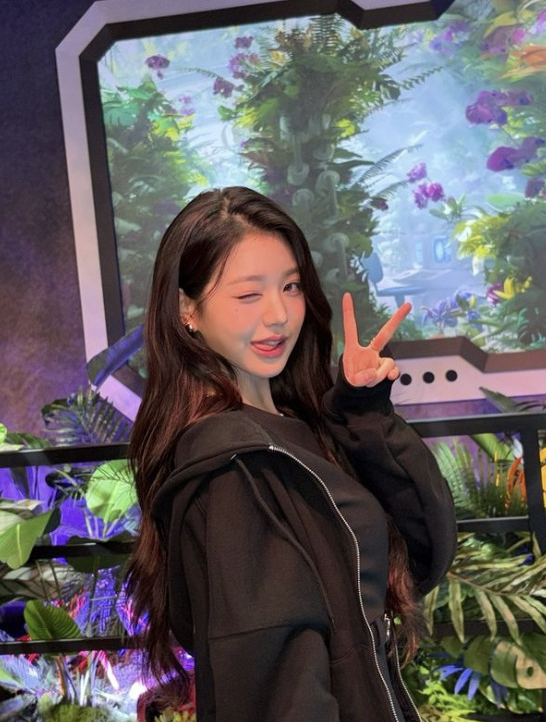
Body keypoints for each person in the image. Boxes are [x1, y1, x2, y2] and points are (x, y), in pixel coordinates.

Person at [126, 186, 457, 722]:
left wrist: (362, 410)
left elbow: (422, 550)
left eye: (291, 286)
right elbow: (277, 685)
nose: (279, 314)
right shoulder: (235, 469)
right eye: (248, 295)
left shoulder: (293, 431)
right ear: (188, 310)